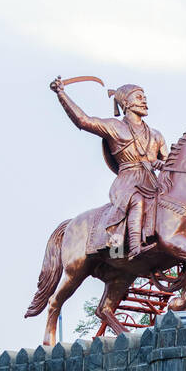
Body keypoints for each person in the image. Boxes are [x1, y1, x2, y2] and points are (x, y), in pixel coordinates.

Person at [50, 78, 168, 257]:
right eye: (138, 97)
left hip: (151, 182)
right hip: (127, 182)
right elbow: (83, 120)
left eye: (144, 97)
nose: (144, 101)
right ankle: (131, 247)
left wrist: (161, 164)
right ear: (126, 103)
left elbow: (170, 164)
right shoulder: (114, 127)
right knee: (136, 200)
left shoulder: (156, 135)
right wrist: (61, 94)